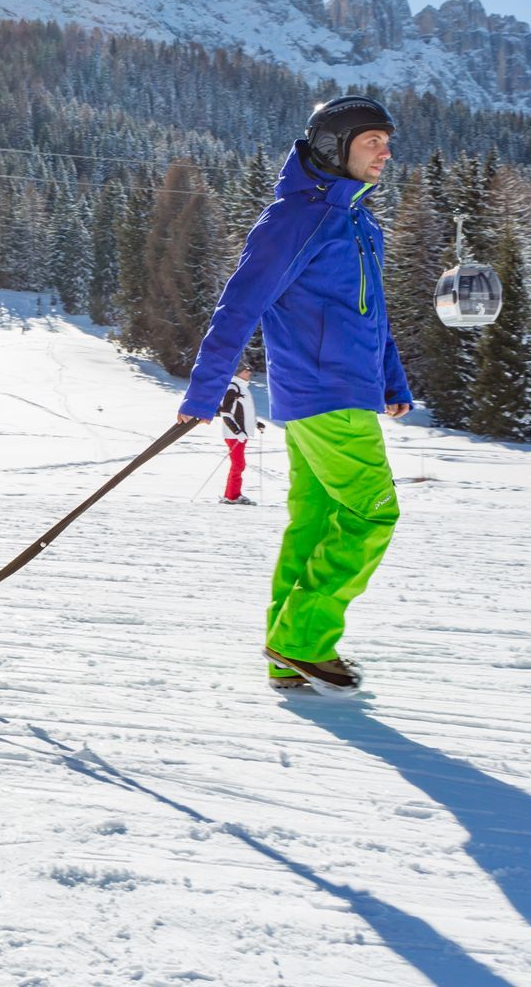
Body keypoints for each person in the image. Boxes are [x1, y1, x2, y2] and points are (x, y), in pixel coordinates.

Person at [177, 95, 414, 694]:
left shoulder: (358, 222)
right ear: (336, 148)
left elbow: (373, 315)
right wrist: (206, 390)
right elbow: (241, 303)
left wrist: (392, 379)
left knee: (315, 522)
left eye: (387, 141)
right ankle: (303, 639)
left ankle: (287, 653)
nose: (386, 153)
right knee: (372, 512)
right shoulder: (295, 218)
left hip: (340, 391)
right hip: (322, 391)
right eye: (372, 142)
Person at [218, 364, 265, 505]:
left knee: (238, 464)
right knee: (238, 464)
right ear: (238, 372)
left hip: (240, 434)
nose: (249, 373)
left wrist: (257, 424)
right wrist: (237, 431)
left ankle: (230, 495)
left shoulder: (243, 387)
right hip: (234, 435)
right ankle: (233, 496)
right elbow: (225, 413)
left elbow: (246, 412)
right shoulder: (233, 387)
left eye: (250, 370)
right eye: (246, 371)